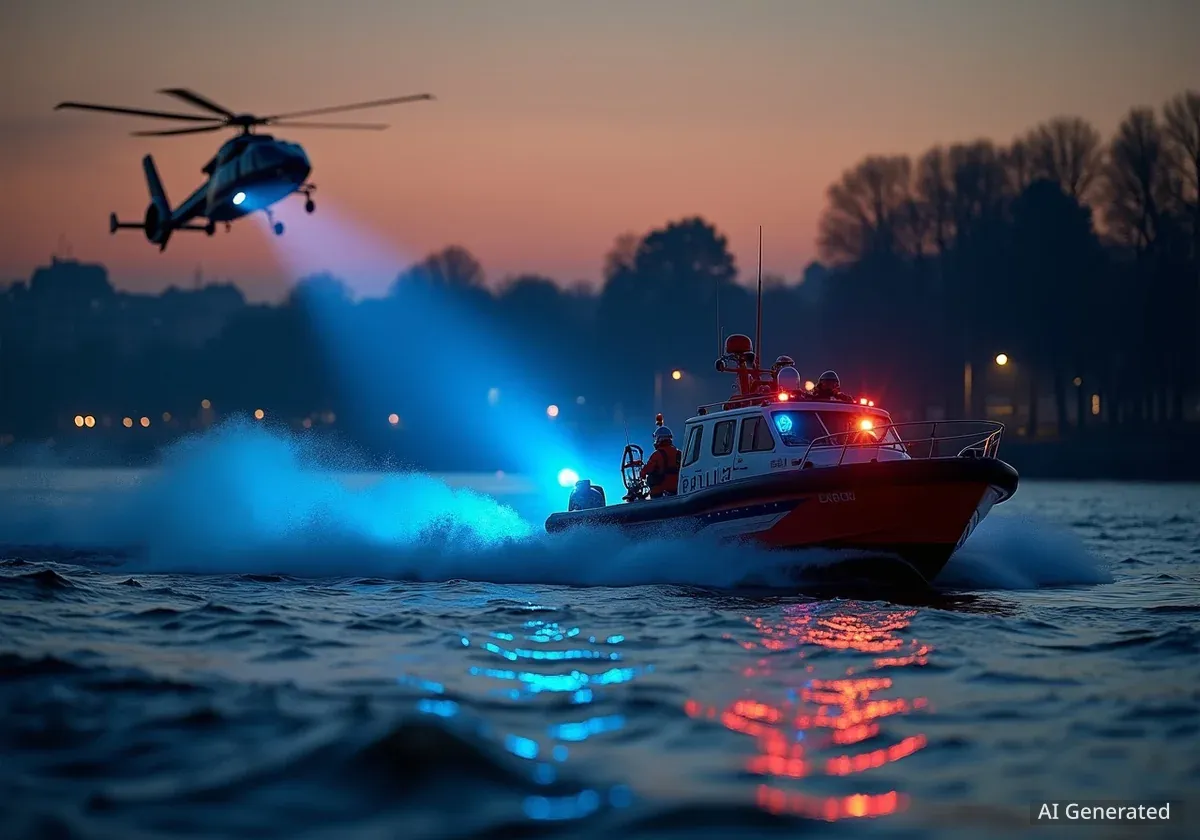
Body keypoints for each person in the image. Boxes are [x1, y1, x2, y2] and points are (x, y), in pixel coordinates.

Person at [640, 426, 681, 498]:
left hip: (659, 492)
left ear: (659, 439)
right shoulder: (679, 453)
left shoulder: (657, 455)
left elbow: (646, 470)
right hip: (677, 490)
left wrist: (642, 475)